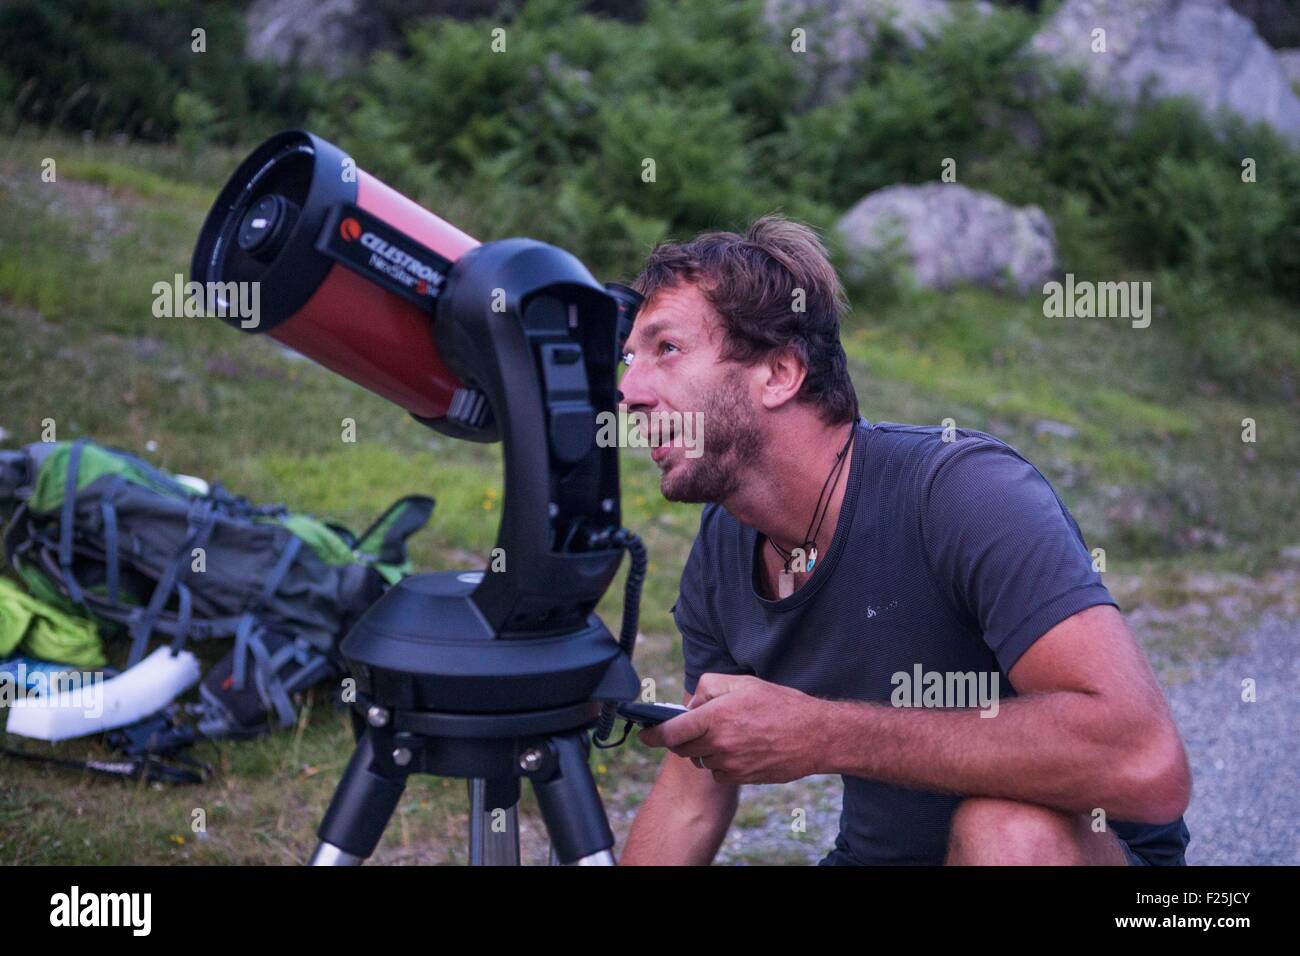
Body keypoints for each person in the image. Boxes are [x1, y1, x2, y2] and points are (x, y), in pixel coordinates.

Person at [615, 214, 1191, 865]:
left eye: (666, 349)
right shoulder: (725, 545)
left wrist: (823, 734)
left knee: (1005, 832)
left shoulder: (961, 493)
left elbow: (1145, 761)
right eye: (629, 359)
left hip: (1059, 853)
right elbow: (691, 800)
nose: (628, 393)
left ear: (779, 372)